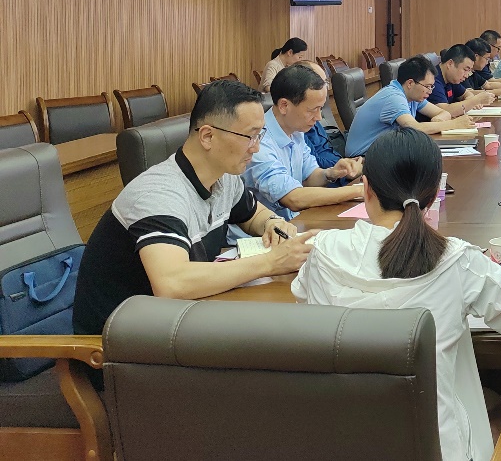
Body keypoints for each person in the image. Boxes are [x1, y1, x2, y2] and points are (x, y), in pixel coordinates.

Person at [293, 128, 501, 461]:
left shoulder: (321, 252)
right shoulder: (456, 260)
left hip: (340, 444)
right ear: (436, 192)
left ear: (366, 189)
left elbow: (307, 305)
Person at [73, 80, 316, 336]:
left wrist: (272, 223)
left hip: (178, 320)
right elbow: (172, 283)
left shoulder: (225, 179)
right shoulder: (158, 194)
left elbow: (253, 214)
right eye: (250, 136)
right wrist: (270, 262)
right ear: (208, 136)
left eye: (260, 135)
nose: (256, 148)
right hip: (121, 341)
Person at [243, 63, 365, 220]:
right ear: (284, 106)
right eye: (313, 110)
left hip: (296, 222)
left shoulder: (296, 130)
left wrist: (330, 173)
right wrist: (357, 190)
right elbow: (293, 198)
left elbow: (308, 178)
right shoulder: (258, 142)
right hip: (263, 231)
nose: (319, 117)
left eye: (321, 109)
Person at [344, 56, 475, 156]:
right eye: (427, 86)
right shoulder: (394, 97)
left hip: (383, 153)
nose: (430, 91)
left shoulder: (413, 96)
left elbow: (443, 113)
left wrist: (439, 120)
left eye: (432, 87)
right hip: (361, 159)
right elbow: (414, 128)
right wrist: (453, 124)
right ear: (410, 83)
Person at [430, 44, 497, 114]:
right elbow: (444, 111)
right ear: (450, 64)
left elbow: (466, 94)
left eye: (469, 71)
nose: (467, 76)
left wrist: (470, 101)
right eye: (465, 69)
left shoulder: (451, 78)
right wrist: (475, 101)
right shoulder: (433, 79)